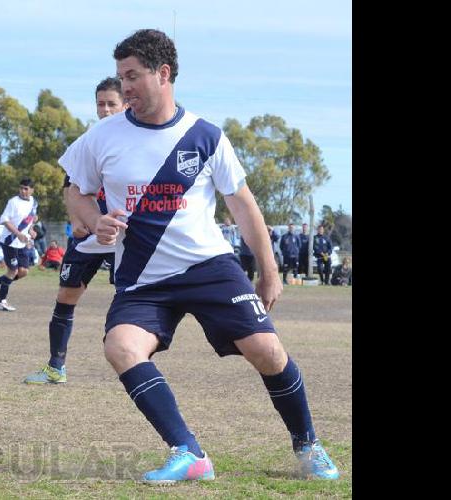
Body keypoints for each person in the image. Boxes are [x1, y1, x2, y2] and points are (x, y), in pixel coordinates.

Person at [59, 29, 338, 483]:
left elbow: (243, 205)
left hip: (209, 268)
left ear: (163, 73)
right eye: (120, 77)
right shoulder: (102, 136)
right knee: (120, 346)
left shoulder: (206, 136)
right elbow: (74, 193)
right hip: (143, 277)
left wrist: (269, 270)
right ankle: (188, 452)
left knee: (267, 350)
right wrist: (93, 219)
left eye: (132, 76)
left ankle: (308, 445)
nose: (123, 87)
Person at [23, 76, 125, 385]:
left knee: (129, 300)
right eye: (100, 104)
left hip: (124, 236)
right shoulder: (88, 140)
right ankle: (56, 366)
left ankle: (132, 364)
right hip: (89, 234)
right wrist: (78, 218)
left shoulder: (138, 139)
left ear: (126, 104)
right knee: (65, 296)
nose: (105, 110)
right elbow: (70, 186)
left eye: (112, 104)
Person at [0, 179, 38, 311]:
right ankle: (1, 301)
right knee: (12, 270)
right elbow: (5, 220)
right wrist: (18, 233)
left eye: (26, 188)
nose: (23, 191)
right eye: (21, 188)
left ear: (32, 190)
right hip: (10, 241)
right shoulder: (13, 202)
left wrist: (31, 229)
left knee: (23, 272)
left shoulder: (34, 202)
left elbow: (32, 218)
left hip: (22, 242)